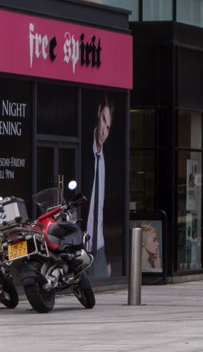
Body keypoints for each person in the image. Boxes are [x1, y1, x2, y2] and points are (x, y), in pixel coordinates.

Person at [85, 96, 112, 277]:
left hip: (100, 247)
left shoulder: (108, 159)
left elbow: (109, 209)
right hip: (82, 246)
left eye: (108, 128)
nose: (104, 131)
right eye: (103, 120)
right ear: (98, 112)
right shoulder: (83, 148)